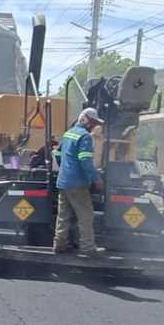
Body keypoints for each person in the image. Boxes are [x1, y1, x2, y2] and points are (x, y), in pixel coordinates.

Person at [53, 107, 103, 256]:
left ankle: (59, 245)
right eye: (93, 122)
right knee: (86, 216)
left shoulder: (68, 133)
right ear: (87, 120)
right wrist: (96, 179)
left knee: (63, 215)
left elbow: (57, 153)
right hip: (78, 184)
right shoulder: (85, 136)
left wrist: (66, 168)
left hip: (63, 181)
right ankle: (88, 248)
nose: (94, 126)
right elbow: (85, 160)